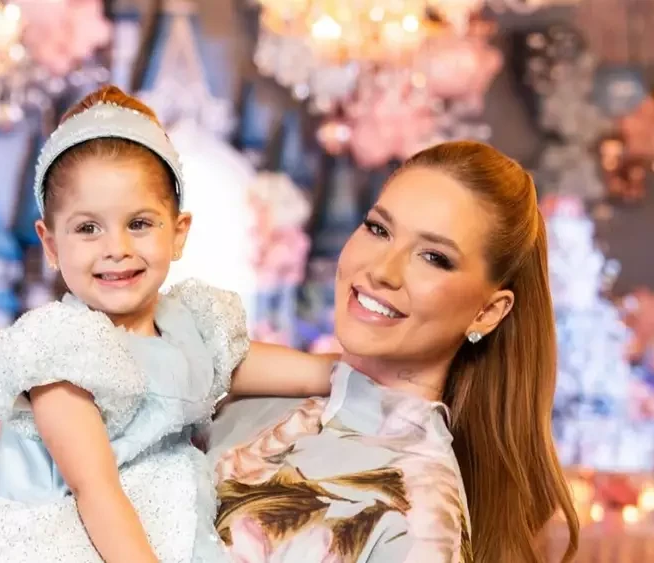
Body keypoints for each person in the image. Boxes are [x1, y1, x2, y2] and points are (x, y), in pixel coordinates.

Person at [0, 85, 335, 563]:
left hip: (152, 520)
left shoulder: (192, 328)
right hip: (62, 535)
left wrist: (355, 368)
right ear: (51, 244)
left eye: (139, 223)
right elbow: (94, 490)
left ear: (177, 232)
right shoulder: (62, 351)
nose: (116, 248)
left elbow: (280, 369)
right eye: (88, 228)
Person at [208, 141, 581, 563]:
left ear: (488, 312)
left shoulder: (423, 524)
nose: (383, 270)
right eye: (378, 229)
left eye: (434, 257)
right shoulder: (258, 392)